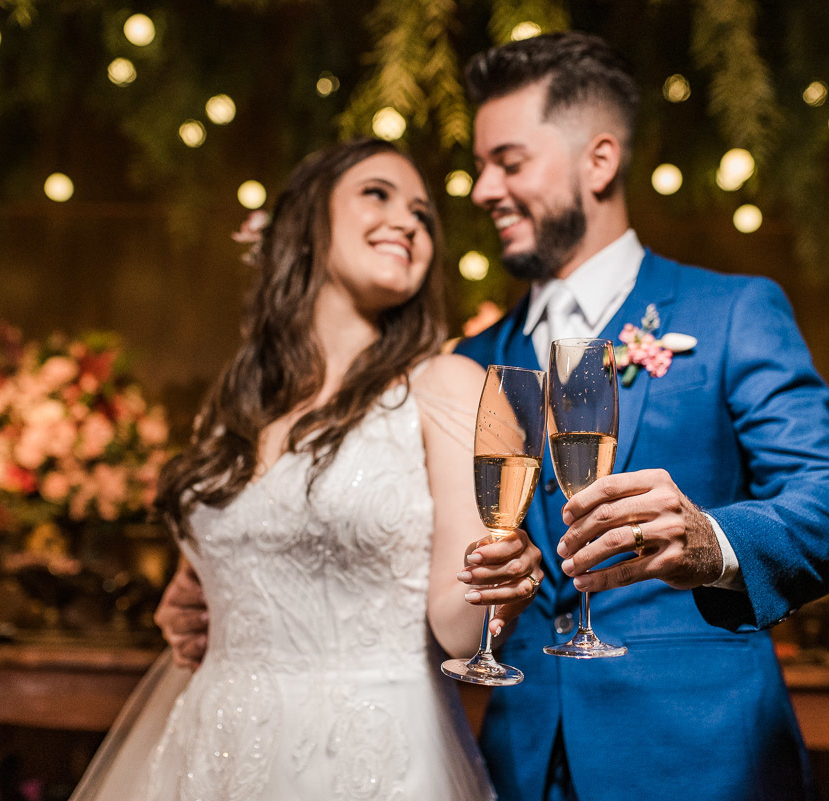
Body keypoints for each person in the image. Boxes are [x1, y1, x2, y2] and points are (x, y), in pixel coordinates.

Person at [159, 33, 829, 801]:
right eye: (479, 167)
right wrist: (220, 579)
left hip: (702, 759)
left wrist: (709, 540)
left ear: (598, 162)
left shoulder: (732, 312)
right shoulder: (465, 361)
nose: (481, 190)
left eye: (508, 161)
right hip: (516, 764)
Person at [71, 138, 543, 801]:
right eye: (377, 194)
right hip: (214, 747)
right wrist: (190, 595)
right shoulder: (233, 410)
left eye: (422, 215)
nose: (408, 221)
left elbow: (459, 626)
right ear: (305, 224)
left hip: (371, 757)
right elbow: (224, 574)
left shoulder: (448, 384)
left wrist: (503, 584)